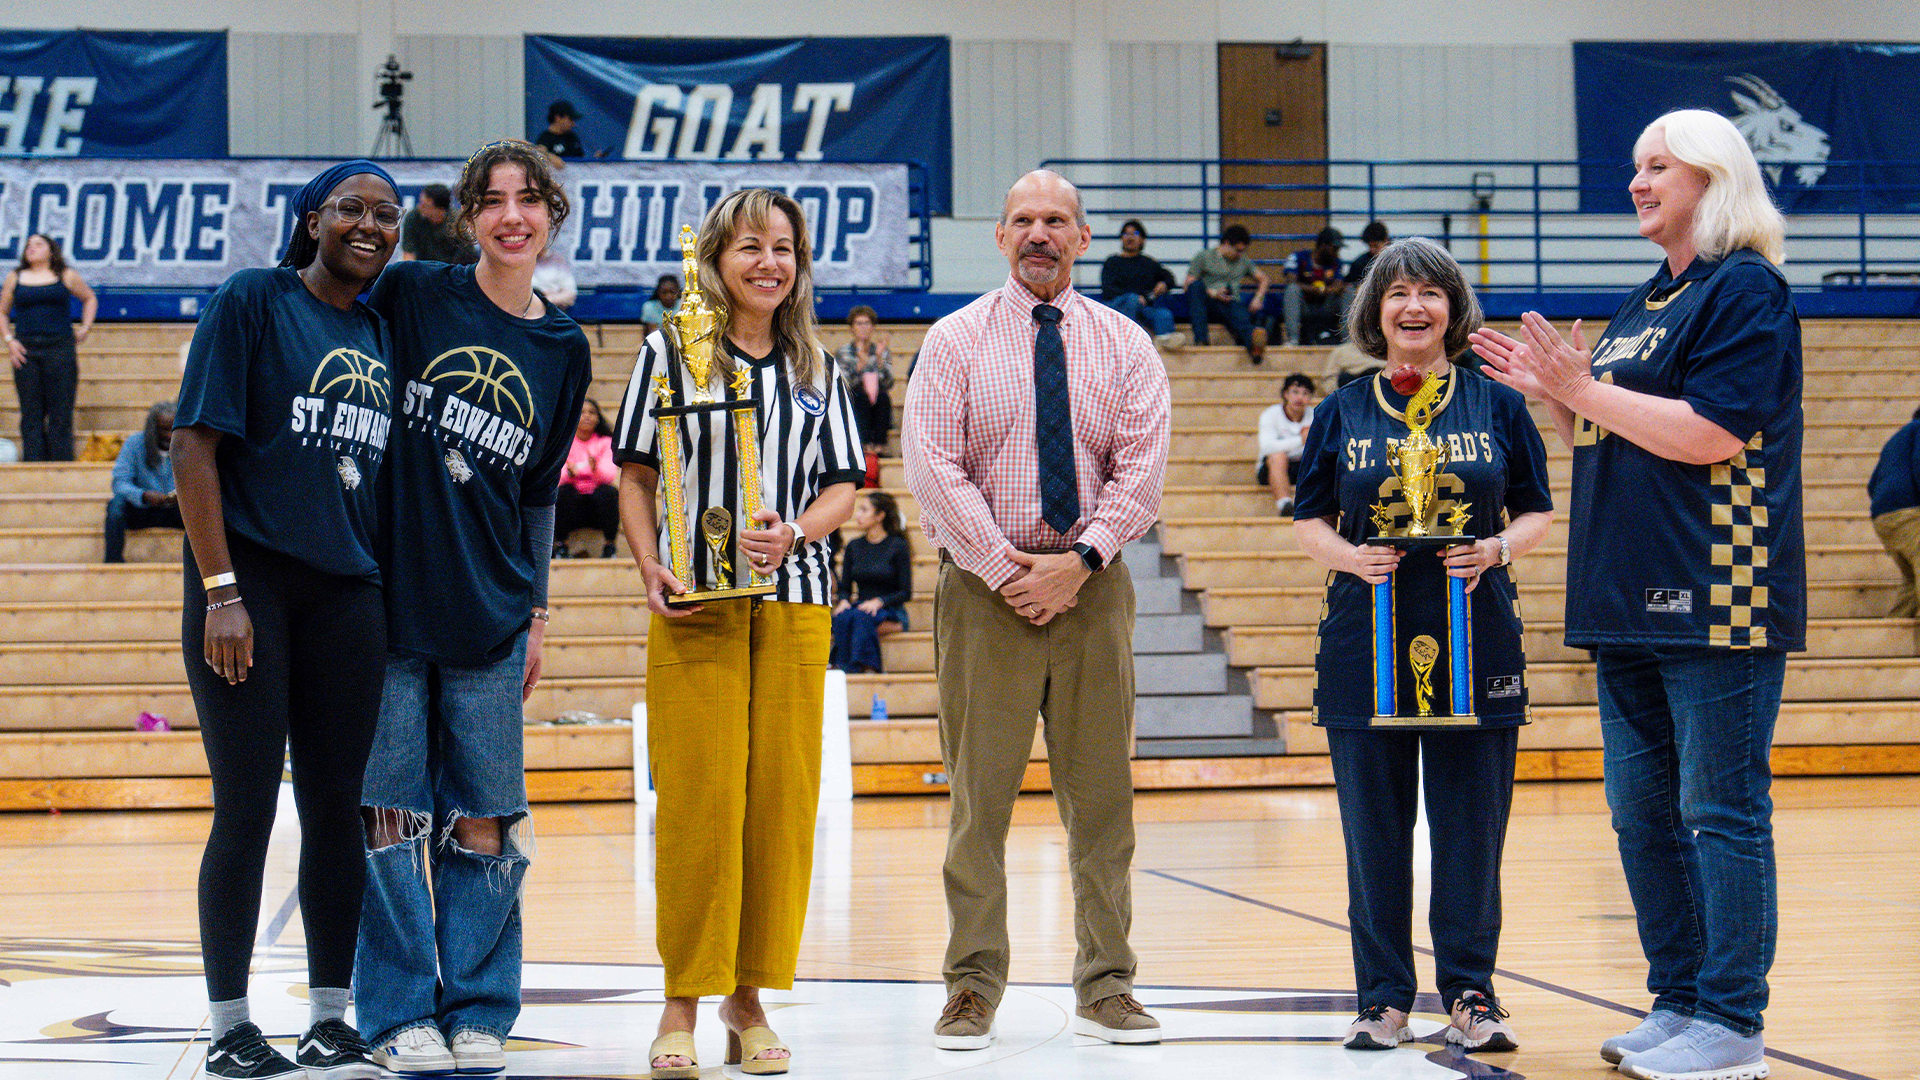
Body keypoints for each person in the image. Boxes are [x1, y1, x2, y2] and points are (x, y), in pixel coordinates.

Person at [1470, 109, 1803, 1080]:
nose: (1638, 181)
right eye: (1635, 164)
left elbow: (1712, 433)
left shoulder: (1746, 292)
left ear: (1714, 177)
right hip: (1623, 591)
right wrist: (1558, 394)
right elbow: (1612, 429)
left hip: (1718, 590)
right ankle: (1679, 1001)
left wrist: (1582, 388)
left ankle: (1733, 1025)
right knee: (1641, 814)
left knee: (1721, 810)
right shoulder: (1648, 300)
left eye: (1658, 165)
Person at [903, 169, 1171, 1050]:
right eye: (1022, 219)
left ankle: (1107, 984)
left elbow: (1142, 470)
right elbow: (933, 465)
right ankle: (971, 985)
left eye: (1056, 219)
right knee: (980, 804)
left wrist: (1080, 562)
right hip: (985, 595)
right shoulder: (953, 340)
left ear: (1083, 238)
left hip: (1094, 592)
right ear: (1000, 236)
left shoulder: (1127, 344)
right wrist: (1006, 569)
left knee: (1102, 803)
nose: (1039, 233)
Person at [355, 140, 593, 1077]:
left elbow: (540, 496)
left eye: (529, 200)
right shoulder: (415, 296)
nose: (511, 217)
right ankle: (397, 1011)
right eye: (491, 201)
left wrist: (536, 613)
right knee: (389, 814)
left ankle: (483, 1006)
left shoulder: (562, 346)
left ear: (552, 216)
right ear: (466, 216)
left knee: (488, 818)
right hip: (385, 604)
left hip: (492, 612)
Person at [613, 186, 861, 1079]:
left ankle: (748, 1002)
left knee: (781, 808)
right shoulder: (666, 354)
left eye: (784, 248)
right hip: (696, 605)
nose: (768, 263)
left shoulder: (818, 370)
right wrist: (650, 567)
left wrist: (798, 530)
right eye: (750, 246)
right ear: (716, 259)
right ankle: (682, 997)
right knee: (699, 805)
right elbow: (633, 475)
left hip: (794, 602)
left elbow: (843, 484)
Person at [1293, 237, 1553, 1056]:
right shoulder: (1339, 411)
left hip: (1478, 640)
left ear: (1453, 310)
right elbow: (1308, 520)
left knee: (1472, 831)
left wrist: (1501, 549)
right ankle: (1382, 1000)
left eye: (1430, 294)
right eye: (1397, 293)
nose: (1414, 307)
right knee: (1374, 835)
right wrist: (1349, 556)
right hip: (1362, 644)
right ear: (1375, 310)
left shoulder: (1499, 405)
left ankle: (1472, 995)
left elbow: (1536, 507)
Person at [171, 158, 401, 1080]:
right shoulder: (252, 301)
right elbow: (194, 444)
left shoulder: (381, 332)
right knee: (247, 808)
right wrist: (222, 591)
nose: (371, 224)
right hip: (248, 588)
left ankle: (328, 1018)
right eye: (349, 207)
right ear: (311, 222)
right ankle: (230, 1023)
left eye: (387, 214)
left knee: (337, 811)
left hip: (347, 594)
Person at [2, 233, 95, 461]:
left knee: (60, 412)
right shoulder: (15, 277)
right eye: (28, 245)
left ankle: (61, 467)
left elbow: (89, 298)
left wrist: (85, 327)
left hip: (60, 348)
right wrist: (9, 340)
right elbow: (2, 312)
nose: (31, 248)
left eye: (38, 244)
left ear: (51, 251)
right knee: (31, 412)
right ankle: (34, 466)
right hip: (26, 350)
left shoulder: (65, 275)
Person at [831, 490, 912, 673]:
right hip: (861, 607)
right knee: (843, 617)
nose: (857, 515)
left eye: (864, 510)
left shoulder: (898, 546)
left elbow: (905, 592)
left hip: (891, 610)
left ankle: (858, 668)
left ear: (879, 516)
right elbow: (845, 587)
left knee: (859, 618)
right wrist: (843, 600)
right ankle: (852, 668)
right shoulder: (854, 546)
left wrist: (879, 601)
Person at [105, 400, 182, 563]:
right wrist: (143, 495)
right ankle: (113, 561)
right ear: (152, 429)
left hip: (177, 510)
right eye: (164, 430)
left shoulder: (186, 445)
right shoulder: (134, 444)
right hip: (142, 508)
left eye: (173, 429)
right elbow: (119, 483)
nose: (169, 435)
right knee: (115, 506)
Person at [1184, 224, 1268, 362]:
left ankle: (1254, 344)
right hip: (1208, 302)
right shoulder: (1204, 256)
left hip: (1230, 302)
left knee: (1238, 313)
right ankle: (1201, 339)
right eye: (1238, 250)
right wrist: (1212, 293)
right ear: (1226, 243)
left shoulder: (1243, 260)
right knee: (1196, 287)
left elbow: (1264, 279)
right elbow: (1188, 285)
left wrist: (1258, 298)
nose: (1240, 254)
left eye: (1243, 251)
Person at [1099, 219, 1184, 350]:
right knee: (1132, 299)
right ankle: (1126, 343)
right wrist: (1133, 298)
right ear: (1121, 238)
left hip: (1142, 309)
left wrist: (1164, 284)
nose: (1130, 237)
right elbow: (1108, 289)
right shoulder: (1112, 262)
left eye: (1135, 233)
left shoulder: (1149, 263)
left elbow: (1170, 277)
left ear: (1143, 239)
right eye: (1126, 234)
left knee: (1163, 314)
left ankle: (1164, 341)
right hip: (1117, 307)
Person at [1870, 407, 1920, 616]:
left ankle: (1886, 640)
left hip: (1883, 517)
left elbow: (1873, 484)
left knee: (1911, 582)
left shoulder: (1898, 437)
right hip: (1907, 513)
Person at [556, 398, 618, 557]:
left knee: (609, 492)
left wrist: (595, 469)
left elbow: (609, 476)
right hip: (572, 506)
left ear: (598, 418)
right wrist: (569, 475)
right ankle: (562, 546)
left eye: (592, 412)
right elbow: (557, 477)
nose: (587, 416)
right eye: (582, 412)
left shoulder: (605, 442)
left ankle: (609, 546)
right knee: (563, 492)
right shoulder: (564, 442)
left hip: (596, 507)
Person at [834, 304, 894, 457]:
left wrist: (879, 361)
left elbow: (889, 383)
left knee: (883, 397)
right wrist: (859, 367)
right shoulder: (844, 353)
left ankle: (880, 446)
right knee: (859, 396)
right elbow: (843, 384)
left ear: (873, 327)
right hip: (856, 398)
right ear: (852, 327)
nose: (863, 327)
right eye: (859, 323)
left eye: (867, 323)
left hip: (876, 397)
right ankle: (863, 444)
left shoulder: (881, 351)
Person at [1255, 373, 1315, 516]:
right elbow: (1267, 447)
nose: (1300, 397)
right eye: (1295, 392)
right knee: (1277, 456)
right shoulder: (1271, 414)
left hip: (1303, 467)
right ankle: (1285, 504)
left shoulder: (1316, 416)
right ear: (1285, 394)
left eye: (1305, 393)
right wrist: (1301, 440)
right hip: (1272, 467)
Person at [1283, 226, 1348, 346]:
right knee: (1292, 290)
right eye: (1334, 248)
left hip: (1326, 306)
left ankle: (1349, 342)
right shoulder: (1298, 257)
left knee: (1348, 291)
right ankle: (1293, 339)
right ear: (1323, 245)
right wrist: (1313, 290)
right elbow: (1291, 280)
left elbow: (1338, 286)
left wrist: (1322, 290)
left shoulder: (1337, 263)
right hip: (1305, 307)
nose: (1337, 252)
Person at [399, 183, 476, 264]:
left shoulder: (458, 224)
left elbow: (467, 257)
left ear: (440, 209)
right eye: (420, 202)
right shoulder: (413, 218)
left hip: (451, 270)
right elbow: (408, 252)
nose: (420, 207)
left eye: (425, 205)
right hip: (423, 269)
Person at [533, 99, 584, 167]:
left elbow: (582, 159)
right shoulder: (545, 138)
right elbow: (539, 151)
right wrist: (549, 156)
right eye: (570, 119)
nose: (573, 124)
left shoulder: (572, 137)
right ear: (558, 118)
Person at [1346, 221, 1391, 286]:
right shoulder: (1359, 264)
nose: (1372, 250)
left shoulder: (1397, 260)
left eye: (1376, 246)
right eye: (1370, 246)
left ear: (1386, 241)